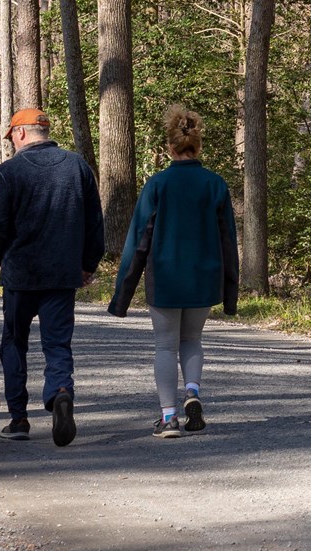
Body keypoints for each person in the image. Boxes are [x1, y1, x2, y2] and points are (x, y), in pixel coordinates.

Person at [108, 104, 239, 438]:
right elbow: (228, 242)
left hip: (165, 278)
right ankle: (192, 392)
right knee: (192, 339)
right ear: (198, 144)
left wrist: (122, 295)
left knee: (166, 346)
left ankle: (168, 419)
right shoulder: (215, 184)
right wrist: (230, 293)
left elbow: (139, 240)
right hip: (203, 278)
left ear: (170, 146)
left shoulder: (157, 185)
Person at [0, 108, 104, 446]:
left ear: (20, 133)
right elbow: (95, 222)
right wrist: (87, 265)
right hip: (63, 274)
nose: (12, 144)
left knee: (13, 343)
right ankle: (60, 392)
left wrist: (2, 258)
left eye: (11, 138)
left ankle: (19, 419)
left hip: (21, 276)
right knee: (57, 344)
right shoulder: (77, 166)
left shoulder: (9, 172)